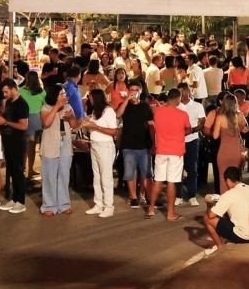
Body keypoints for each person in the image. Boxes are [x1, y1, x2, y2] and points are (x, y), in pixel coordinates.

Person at [202, 166, 249, 254]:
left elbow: (210, 216)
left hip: (242, 237)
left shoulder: (228, 195)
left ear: (228, 180)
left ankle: (220, 246)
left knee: (206, 218)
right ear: (240, 178)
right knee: (228, 213)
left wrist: (208, 203)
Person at [148, 89, 192, 221]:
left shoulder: (158, 112)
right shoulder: (183, 114)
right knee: (172, 182)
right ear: (178, 99)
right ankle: (171, 213)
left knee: (158, 180)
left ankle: (151, 209)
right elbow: (188, 129)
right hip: (176, 151)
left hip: (161, 150)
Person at [39, 84, 78, 216]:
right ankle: (49, 205)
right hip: (50, 144)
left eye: (64, 94)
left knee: (64, 175)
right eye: (61, 94)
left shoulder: (68, 107)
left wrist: (71, 117)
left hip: (65, 144)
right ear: (54, 96)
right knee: (49, 176)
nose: (64, 96)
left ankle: (64, 204)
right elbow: (46, 123)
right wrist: (56, 107)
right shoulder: (46, 108)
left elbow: (75, 126)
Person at [0, 80, 30, 214]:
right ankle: (15, 199)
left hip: (18, 143)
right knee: (12, 170)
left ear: (14, 89)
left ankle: (21, 201)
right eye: (3, 92)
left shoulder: (22, 104)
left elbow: (23, 125)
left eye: (6, 91)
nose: (4, 94)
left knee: (18, 171)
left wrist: (6, 122)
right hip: (8, 141)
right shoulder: (8, 102)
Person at [82, 88, 119, 218]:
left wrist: (95, 127)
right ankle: (98, 204)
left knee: (106, 176)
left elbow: (113, 131)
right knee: (97, 175)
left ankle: (109, 206)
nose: (89, 99)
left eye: (90, 97)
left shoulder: (108, 111)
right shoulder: (94, 112)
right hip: (95, 145)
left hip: (105, 146)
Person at [117, 79, 153, 209]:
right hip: (128, 144)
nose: (133, 92)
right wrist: (126, 100)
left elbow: (151, 125)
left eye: (136, 90)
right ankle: (133, 197)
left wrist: (153, 142)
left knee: (145, 173)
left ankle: (144, 195)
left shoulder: (145, 106)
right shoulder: (124, 105)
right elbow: (118, 115)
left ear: (141, 91)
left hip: (144, 144)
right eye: (131, 90)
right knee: (130, 172)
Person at [175, 83, 206, 207]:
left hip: (192, 140)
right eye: (178, 92)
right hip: (178, 140)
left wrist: (192, 130)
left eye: (182, 91)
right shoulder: (176, 106)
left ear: (187, 91)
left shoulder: (197, 106)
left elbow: (202, 122)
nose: (180, 94)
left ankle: (192, 195)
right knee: (178, 169)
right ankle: (178, 195)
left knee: (192, 169)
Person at [210, 94, 247, 192]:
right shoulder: (240, 116)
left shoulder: (220, 118)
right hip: (236, 151)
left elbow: (215, 136)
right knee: (236, 177)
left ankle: (226, 203)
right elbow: (245, 130)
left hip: (224, 151)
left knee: (223, 178)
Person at [19, 71, 46, 180]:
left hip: (24, 118)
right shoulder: (42, 92)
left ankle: (22, 170)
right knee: (32, 146)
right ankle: (30, 169)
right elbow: (44, 107)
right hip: (36, 120)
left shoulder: (20, 91)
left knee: (24, 146)